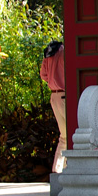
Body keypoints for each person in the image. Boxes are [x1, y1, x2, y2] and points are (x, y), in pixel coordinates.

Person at [40, 41, 66, 173]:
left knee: (64, 136)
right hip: (65, 96)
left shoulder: (49, 53)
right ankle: (64, 169)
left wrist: (53, 79)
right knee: (70, 134)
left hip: (54, 96)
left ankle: (58, 168)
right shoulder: (64, 52)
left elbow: (43, 75)